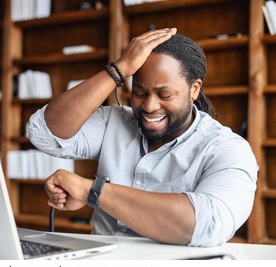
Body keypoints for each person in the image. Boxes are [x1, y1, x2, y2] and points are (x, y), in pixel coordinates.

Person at [26, 28, 258, 247]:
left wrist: (93, 192)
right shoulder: (114, 122)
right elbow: (43, 133)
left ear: (194, 89)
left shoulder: (228, 149)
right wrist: (118, 69)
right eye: (139, 92)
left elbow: (207, 223)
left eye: (164, 94)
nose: (149, 106)